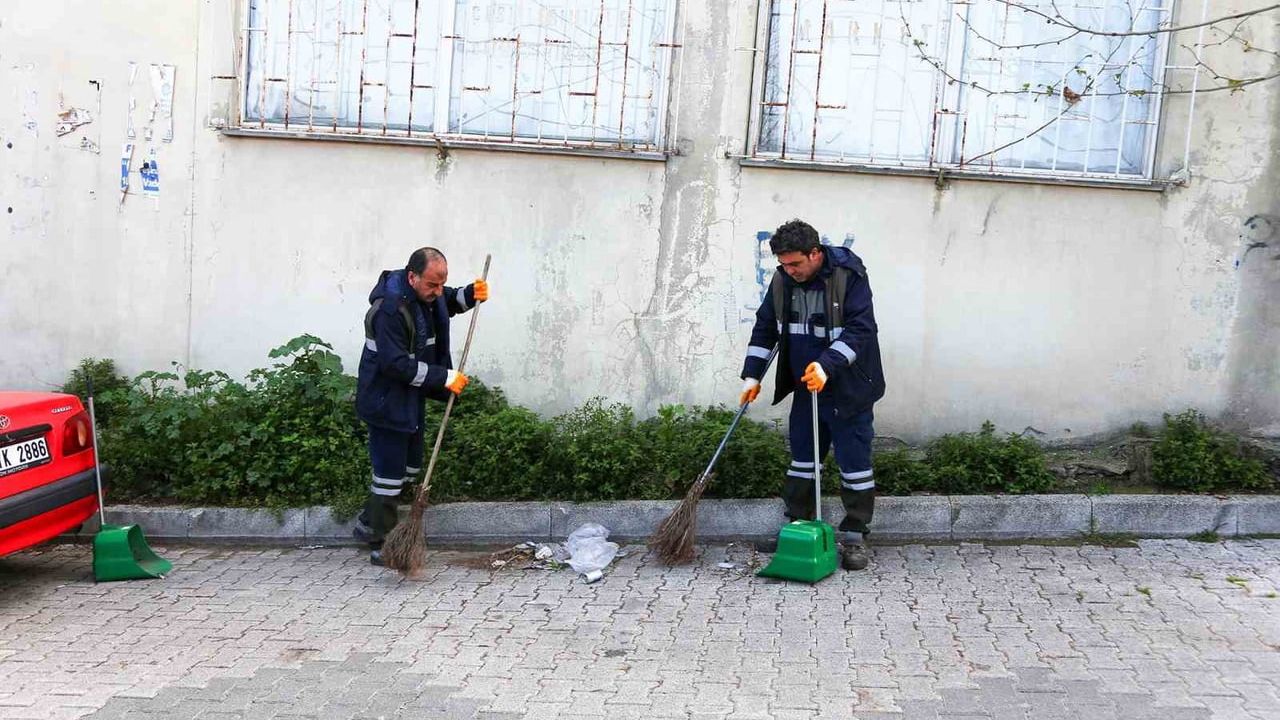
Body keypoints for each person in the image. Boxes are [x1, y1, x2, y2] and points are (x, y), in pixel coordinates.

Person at [739, 220, 886, 570]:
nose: (790, 271)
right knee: (803, 460)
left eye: (796, 264)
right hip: (807, 387)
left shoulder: (848, 276)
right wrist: (751, 376)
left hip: (849, 387)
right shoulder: (782, 280)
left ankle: (855, 536)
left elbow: (861, 329)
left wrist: (827, 365)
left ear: (815, 253)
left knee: (854, 464)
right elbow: (765, 329)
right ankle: (798, 528)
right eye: (784, 265)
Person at [352, 247, 488, 565]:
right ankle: (383, 543)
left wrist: (470, 294)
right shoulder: (389, 311)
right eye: (432, 285)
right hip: (385, 397)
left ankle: (367, 523)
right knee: (389, 473)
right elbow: (395, 364)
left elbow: (446, 302)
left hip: (409, 395)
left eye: (442, 284)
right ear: (413, 277)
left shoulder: (426, 292)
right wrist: (443, 378)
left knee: (410, 465)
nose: (438, 292)